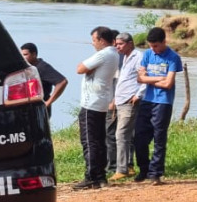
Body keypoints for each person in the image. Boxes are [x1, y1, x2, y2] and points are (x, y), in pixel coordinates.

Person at [134, 27, 183, 185]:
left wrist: (149, 78)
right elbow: (139, 79)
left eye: (156, 46)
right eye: (150, 45)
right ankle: (144, 169)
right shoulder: (148, 54)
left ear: (164, 42)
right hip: (147, 100)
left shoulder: (173, 58)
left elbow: (168, 84)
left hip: (163, 102)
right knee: (140, 137)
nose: (153, 49)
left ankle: (155, 173)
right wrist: (158, 78)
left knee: (159, 138)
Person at [72, 26, 119, 190]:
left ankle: (91, 176)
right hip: (101, 102)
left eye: (94, 40)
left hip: (91, 103)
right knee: (99, 140)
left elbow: (80, 68)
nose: (93, 44)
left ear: (101, 40)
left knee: (89, 140)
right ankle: (100, 176)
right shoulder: (114, 53)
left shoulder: (104, 54)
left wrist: (86, 66)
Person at [107, 32, 144, 180]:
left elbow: (144, 76)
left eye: (120, 44)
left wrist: (138, 95)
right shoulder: (125, 57)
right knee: (125, 135)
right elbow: (123, 80)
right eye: (116, 44)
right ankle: (127, 167)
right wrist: (115, 98)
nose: (117, 47)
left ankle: (121, 169)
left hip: (130, 101)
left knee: (121, 134)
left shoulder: (138, 57)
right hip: (121, 100)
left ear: (130, 43)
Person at [20, 42, 68, 116]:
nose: (23, 57)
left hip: (40, 109)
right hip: (30, 108)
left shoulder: (42, 67)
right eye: (21, 55)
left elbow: (62, 82)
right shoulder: (29, 67)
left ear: (34, 54)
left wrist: (48, 102)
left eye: (25, 55)